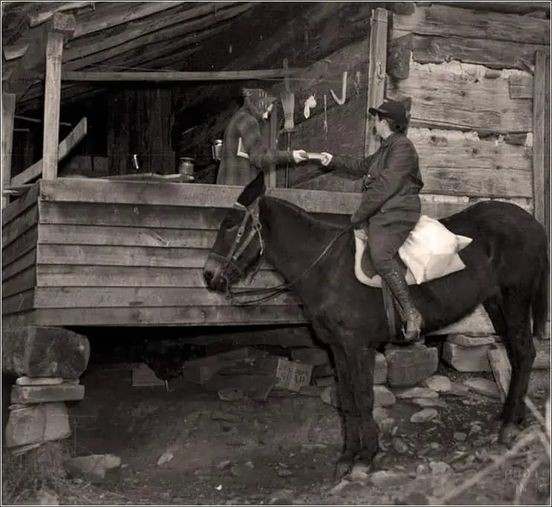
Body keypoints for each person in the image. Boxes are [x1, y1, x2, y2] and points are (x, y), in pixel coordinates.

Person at [318, 99, 424, 341]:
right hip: (385, 211)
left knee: (380, 254)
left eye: (376, 119)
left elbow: (385, 187)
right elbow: (362, 165)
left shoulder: (403, 148)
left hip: (398, 212)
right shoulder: (387, 148)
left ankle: (410, 312)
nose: (374, 123)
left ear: (384, 122)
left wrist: (358, 215)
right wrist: (333, 159)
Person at [216, 87, 308, 185]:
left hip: (227, 185)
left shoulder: (238, 118)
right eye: (266, 111)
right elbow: (260, 156)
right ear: (259, 105)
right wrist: (291, 155)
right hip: (238, 186)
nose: (265, 116)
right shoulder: (248, 121)